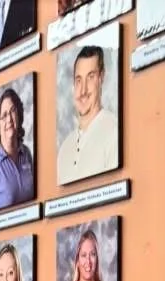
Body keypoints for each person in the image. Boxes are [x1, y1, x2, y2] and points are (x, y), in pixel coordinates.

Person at [56, 44, 118, 186]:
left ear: (101, 78)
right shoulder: (65, 148)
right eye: (79, 80)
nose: (83, 90)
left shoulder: (114, 132)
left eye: (90, 77)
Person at [0, 87, 35, 213]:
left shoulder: (27, 154)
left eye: (12, 111)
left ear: (19, 115)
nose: (9, 120)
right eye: (4, 115)